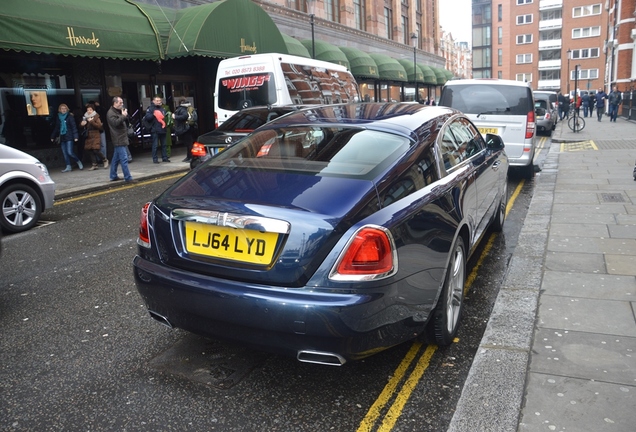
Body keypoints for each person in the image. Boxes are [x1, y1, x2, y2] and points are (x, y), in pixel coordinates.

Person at [107, 97, 135, 183]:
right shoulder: (110, 113)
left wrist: (125, 116)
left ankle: (113, 176)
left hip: (122, 137)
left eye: (122, 102)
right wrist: (123, 116)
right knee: (124, 159)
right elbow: (115, 123)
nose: (122, 104)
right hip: (118, 138)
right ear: (114, 103)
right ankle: (128, 177)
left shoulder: (118, 111)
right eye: (120, 102)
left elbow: (124, 121)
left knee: (116, 159)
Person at [50, 103, 83, 173]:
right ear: (60, 110)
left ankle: (78, 161)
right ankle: (68, 166)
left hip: (69, 137)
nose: (64, 110)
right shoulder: (58, 117)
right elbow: (57, 128)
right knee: (65, 153)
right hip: (62, 137)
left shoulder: (70, 117)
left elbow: (74, 127)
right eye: (62, 109)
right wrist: (53, 136)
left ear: (67, 109)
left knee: (70, 152)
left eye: (65, 109)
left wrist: (76, 136)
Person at [81, 103, 108, 170]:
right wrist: (82, 124)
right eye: (88, 110)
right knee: (90, 150)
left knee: (96, 150)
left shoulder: (96, 117)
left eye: (90, 110)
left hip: (96, 134)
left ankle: (104, 159)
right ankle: (94, 164)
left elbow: (99, 126)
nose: (89, 111)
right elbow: (83, 126)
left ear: (93, 110)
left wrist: (92, 121)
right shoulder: (85, 117)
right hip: (89, 135)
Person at [144, 95, 169, 163]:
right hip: (155, 130)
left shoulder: (162, 109)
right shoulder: (150, 109)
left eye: (160, 101)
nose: (159, 102)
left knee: (164, 145)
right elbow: (147, 118)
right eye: (157, 101)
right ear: (153, 101)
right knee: (155, 145)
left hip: (162, 129)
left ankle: (165, 157)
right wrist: (153, 115)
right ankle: (155, 159)